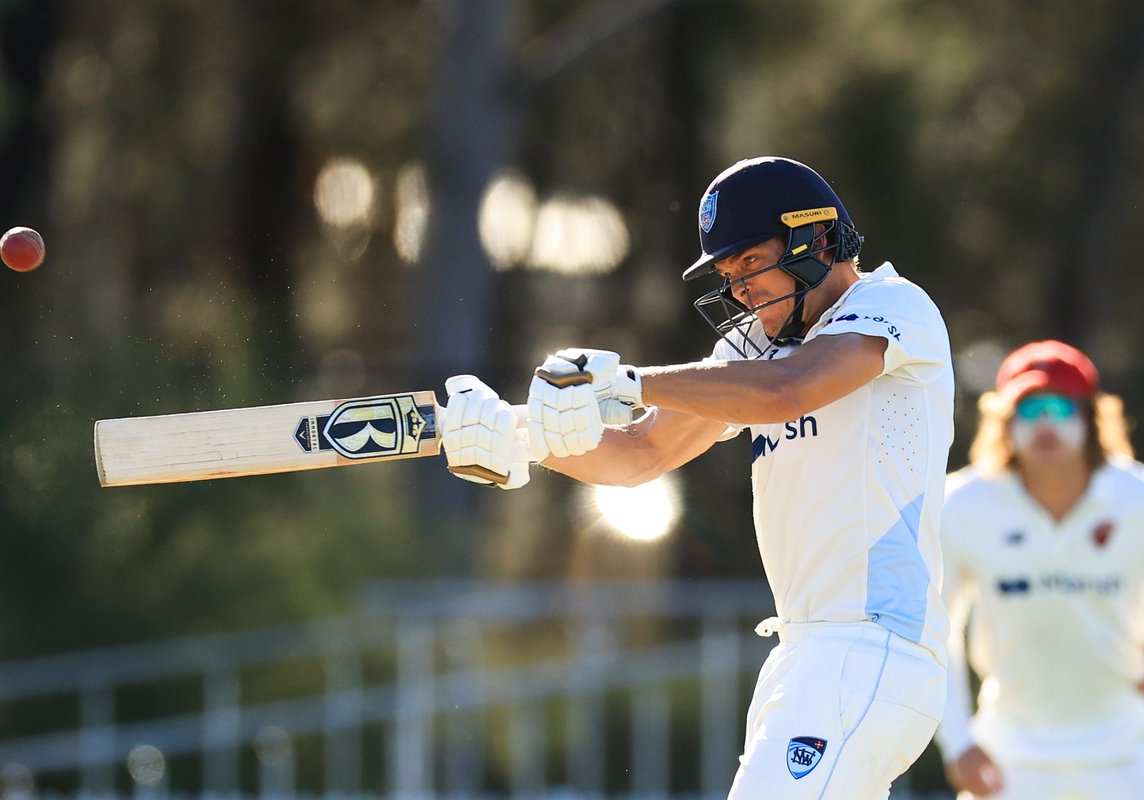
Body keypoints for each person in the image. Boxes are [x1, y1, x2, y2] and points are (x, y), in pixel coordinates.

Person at [441, 156, 955, 798]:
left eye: (749, 263)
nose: (739, 289)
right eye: (728, 273)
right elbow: (641, 454)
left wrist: (631, 381)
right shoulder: (756, 349)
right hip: (806, 655)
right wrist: (519, 446)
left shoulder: (893, 306)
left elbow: (788, 392)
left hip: (871, 645)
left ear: (815, 240)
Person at [934, 340, 1144, 800]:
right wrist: (958, 744)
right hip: (1007, 762)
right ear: (1004, 422)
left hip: (1127, 757)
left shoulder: (1138, 498)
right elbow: (936, 631)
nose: (1045, 423)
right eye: (1029, 410)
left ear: (1091, 416)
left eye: (1059, 406)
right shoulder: (960, 505)